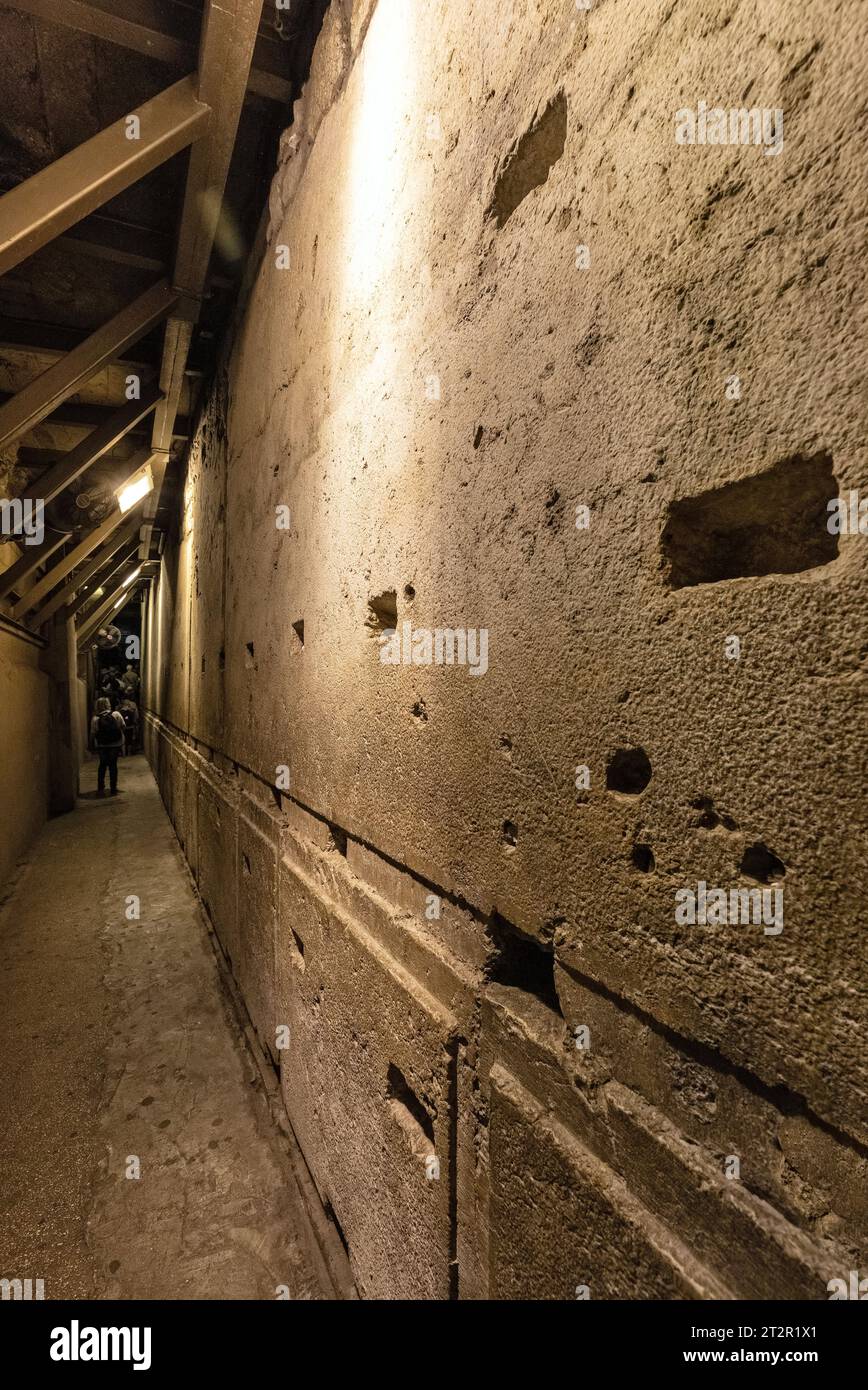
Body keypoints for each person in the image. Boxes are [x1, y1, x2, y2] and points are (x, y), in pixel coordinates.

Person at [90, 696, 125, 795]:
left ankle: (100, 788)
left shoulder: (95, 719)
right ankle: (113, 788)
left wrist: (91, 745)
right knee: (113, 766)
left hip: (102, 745)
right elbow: (123, 726)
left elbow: (93, 733)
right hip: (115, 744)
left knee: (102, 765)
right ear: (108, 704)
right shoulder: (116, 714)